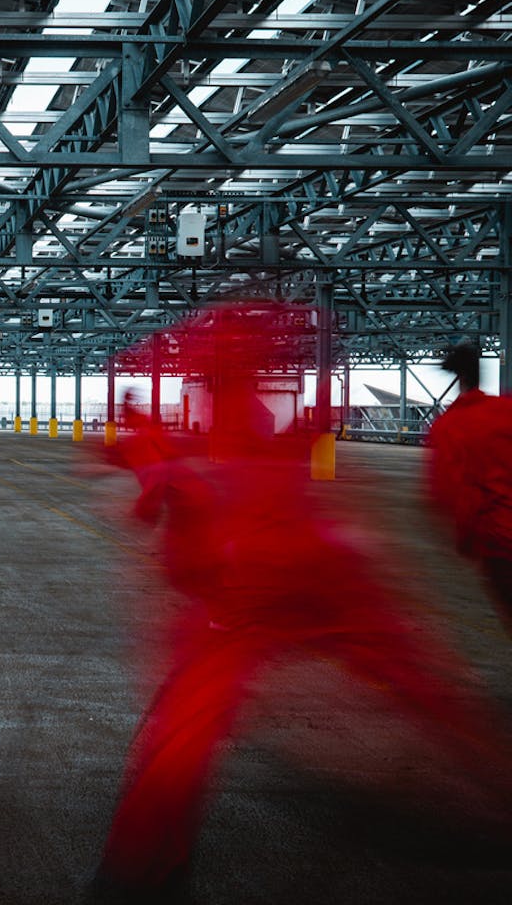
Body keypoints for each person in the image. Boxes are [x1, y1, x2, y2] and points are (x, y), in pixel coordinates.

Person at [93, 306, 512, 901]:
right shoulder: (496, 415)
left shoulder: (185, 424)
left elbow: (162, 488)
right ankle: (496, 793)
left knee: (189, 719)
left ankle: (139, 865)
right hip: (318, 552)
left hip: (242, 570)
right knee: (423, 683)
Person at [427, 340, 512, 635]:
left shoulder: (448, 426)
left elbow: (450, 491)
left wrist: (465, 538)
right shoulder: (506, 410)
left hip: (500, 542)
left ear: (457, 377)